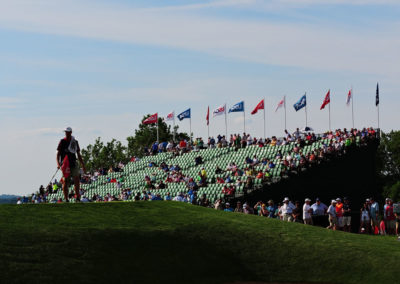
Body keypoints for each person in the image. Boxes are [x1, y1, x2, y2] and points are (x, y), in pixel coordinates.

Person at [56, 127, 86, 202]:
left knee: (77, 180)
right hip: (65, 164)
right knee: (65, 181)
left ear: (71, 132)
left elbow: (78, 154)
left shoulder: (75, 142)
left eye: (68, 132)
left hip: (73, 163)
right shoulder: (62, 141)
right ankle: (66, 199)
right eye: (66, 132)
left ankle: (78, 197)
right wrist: (58, 163)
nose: (66, 133)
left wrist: (82, 164)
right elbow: (58, 154)